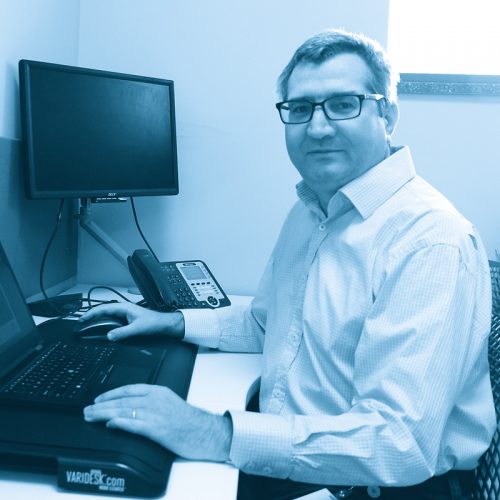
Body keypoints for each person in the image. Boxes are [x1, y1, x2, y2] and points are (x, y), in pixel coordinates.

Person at [81, 29, 496, 499]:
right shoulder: (311, 211)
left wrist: (214, 432)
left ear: (388, 115)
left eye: (343, 104)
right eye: (300, 109)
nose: (317, 128)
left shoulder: (429, 241)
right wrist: (174, 322)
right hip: (302, 457)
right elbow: (270, 322)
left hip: (374, 485)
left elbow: (399, 443)